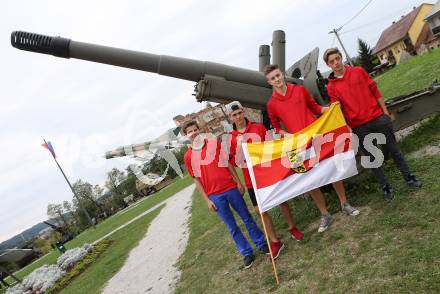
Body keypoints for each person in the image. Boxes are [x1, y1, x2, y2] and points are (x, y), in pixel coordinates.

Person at [264, 64, 360, 233]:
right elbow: (275, 127)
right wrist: (284, 134)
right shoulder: (271, 104)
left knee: (332, 169)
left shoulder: (299, 90)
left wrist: (330, 110)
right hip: (296, 145)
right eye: (273, 78)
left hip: (317, 137)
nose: (277, 80)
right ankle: (325, 214)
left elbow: (315, 108)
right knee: (309, 181)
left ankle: (344, 203)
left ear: (282, 75)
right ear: (269, 82)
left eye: (278, 75)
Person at [323, 47, 422, 201]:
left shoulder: (358, 71)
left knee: (394, 150)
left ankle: (409, 177)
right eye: (332, 61)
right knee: (372, 158)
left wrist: (385, 113)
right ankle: (386, 186)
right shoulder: (331, 87)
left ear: (341, 58)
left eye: (337, 59)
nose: (336, 63)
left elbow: (375, 92)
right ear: (328, 65)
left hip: (377, 118)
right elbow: (338, 110)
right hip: (359, 127)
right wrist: (348, 127)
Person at [182, 120, 268, 269]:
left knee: (247, 218)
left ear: (199, 130)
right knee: (232, 226)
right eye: (190, 131)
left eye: (195, 129)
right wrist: (207, 200)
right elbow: (196, 179)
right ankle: (247, 253)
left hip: (230, 187)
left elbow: (227, 163)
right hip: (214, 195)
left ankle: (261, 243)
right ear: (186, 135)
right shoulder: (188, 156)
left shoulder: (213, 143)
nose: (193, 133)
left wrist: (238, 182)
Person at [226, 101, 304, 259]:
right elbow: (235, 162)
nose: (239, 117)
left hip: (268, 172)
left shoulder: (258, 128)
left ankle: (291, 227)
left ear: (244, 111)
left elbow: (272, 147)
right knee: (260, 210)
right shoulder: (231, 138)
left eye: (240, 113)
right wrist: (240, 148)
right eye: (235, 115)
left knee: (282, 200)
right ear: (230, 118)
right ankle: (275, 241)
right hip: (251, 179)